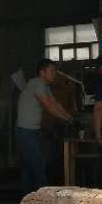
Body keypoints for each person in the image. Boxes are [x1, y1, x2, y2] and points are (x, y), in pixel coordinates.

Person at [16, 59, 73, 193]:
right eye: (51, 71)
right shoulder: (37, 83)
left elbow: (55, 103)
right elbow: (49, 107)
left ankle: (27, 198)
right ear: (42, 72)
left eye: (55, 71)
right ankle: (44, 198)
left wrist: (69, 117)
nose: (54, 74)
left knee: (28, 167)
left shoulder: (44, 86)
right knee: (38, 164)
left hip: (31, 132)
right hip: (26, 132)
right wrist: (66, 119)